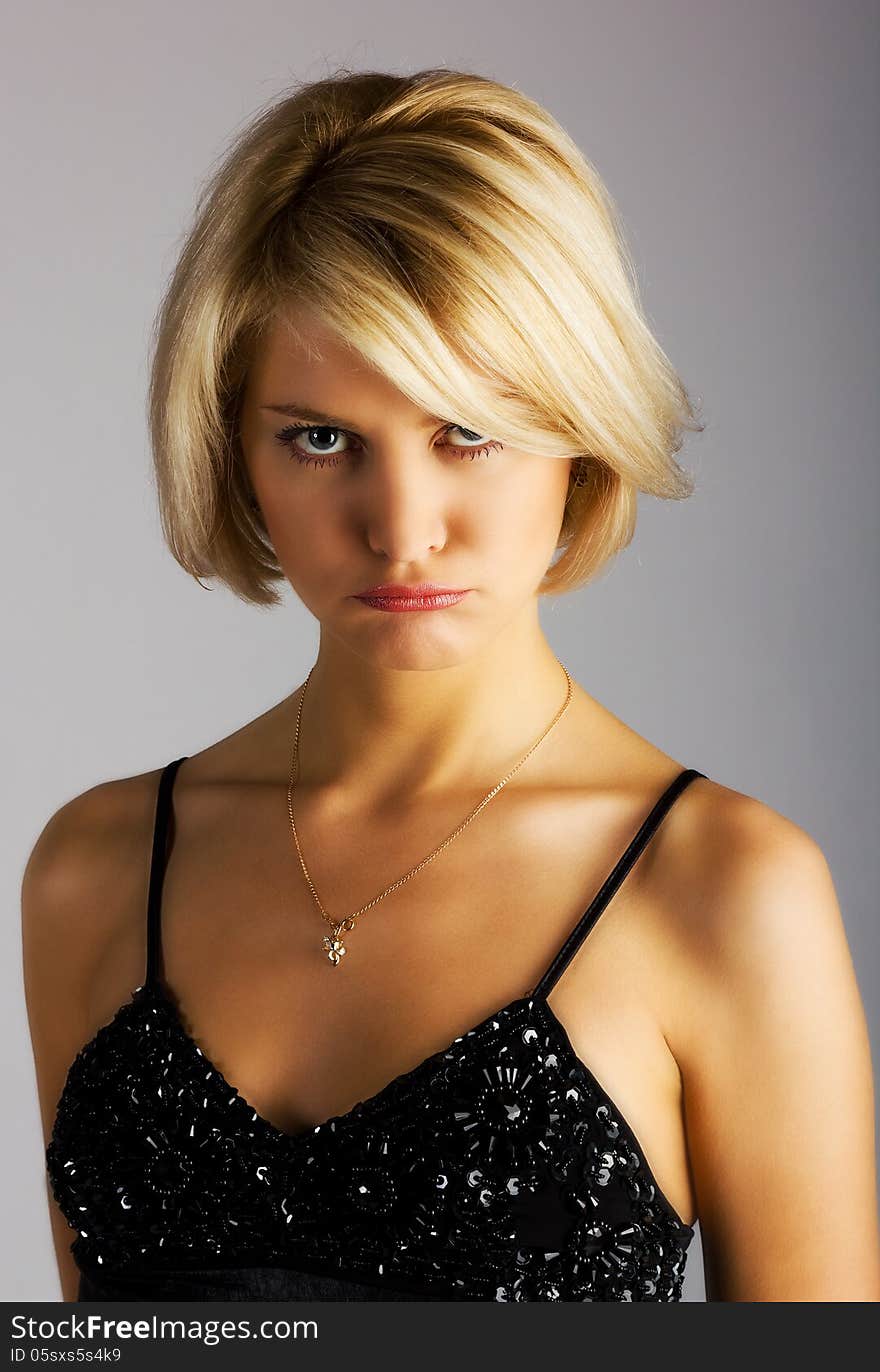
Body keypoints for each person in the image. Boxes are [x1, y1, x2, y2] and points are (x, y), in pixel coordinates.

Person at [22, 67, 880, 1303]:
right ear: (234, 451)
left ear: (579, 431)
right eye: (321, 438)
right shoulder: (91, 872)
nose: (402, 529)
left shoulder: (727, 893)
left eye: (467, 430)